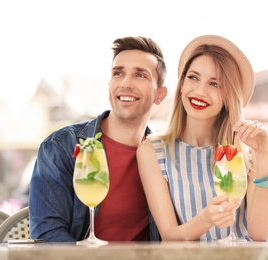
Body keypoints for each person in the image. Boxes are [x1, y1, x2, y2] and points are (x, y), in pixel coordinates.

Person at [29, 36, 168, 242]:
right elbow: (48, 234)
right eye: (118, 73)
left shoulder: (166, 156)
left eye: (140, 75)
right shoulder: (62, 147)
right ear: (110, 85)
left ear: (160, 95)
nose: (126, 83)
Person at [137, 35, 268, 241]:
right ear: (181, 84)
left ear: (228, 96)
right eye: (193, 77)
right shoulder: (153, 151)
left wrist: (264, 155)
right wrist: (206, 219)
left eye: (215, 84)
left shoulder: (245, 152)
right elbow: (169, 237)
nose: (200, 91)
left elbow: (259, 234)